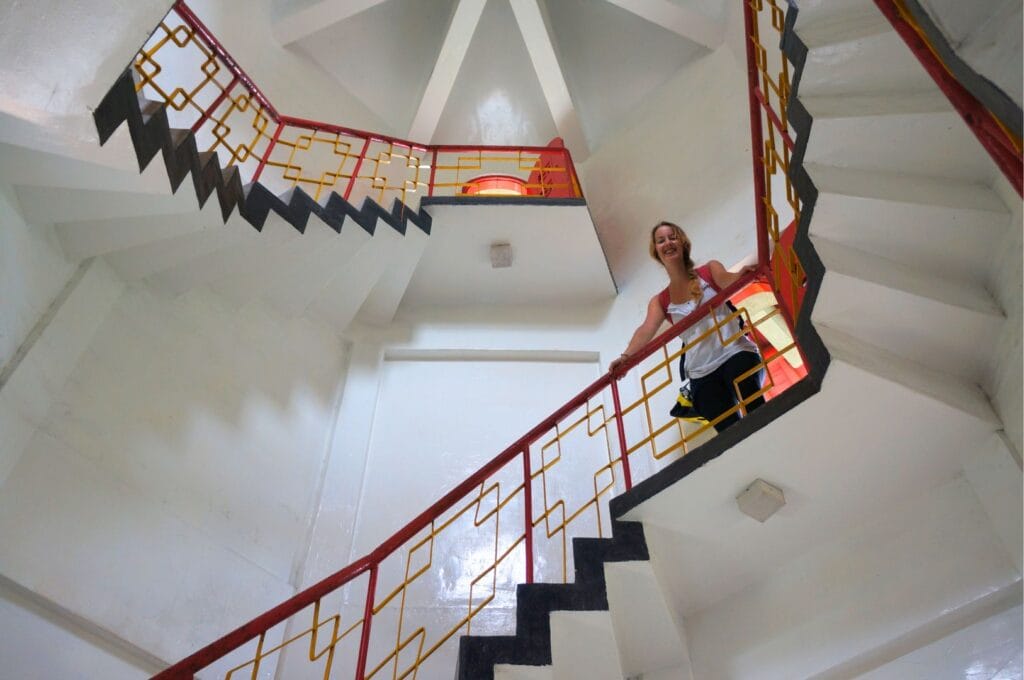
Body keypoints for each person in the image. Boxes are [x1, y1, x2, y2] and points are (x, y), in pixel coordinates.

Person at [609, 221, 765, 432]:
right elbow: (646, 330)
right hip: (701, 371)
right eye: (661, 240)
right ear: (656, 251)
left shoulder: (709, 270)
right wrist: (625, 358)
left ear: (682, 242)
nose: (668, 243)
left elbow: (728, 280)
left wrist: (742, 275)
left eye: (672, 237)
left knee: (758, 410)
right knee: (729, 432)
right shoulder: (661, 301)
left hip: (734, 351)